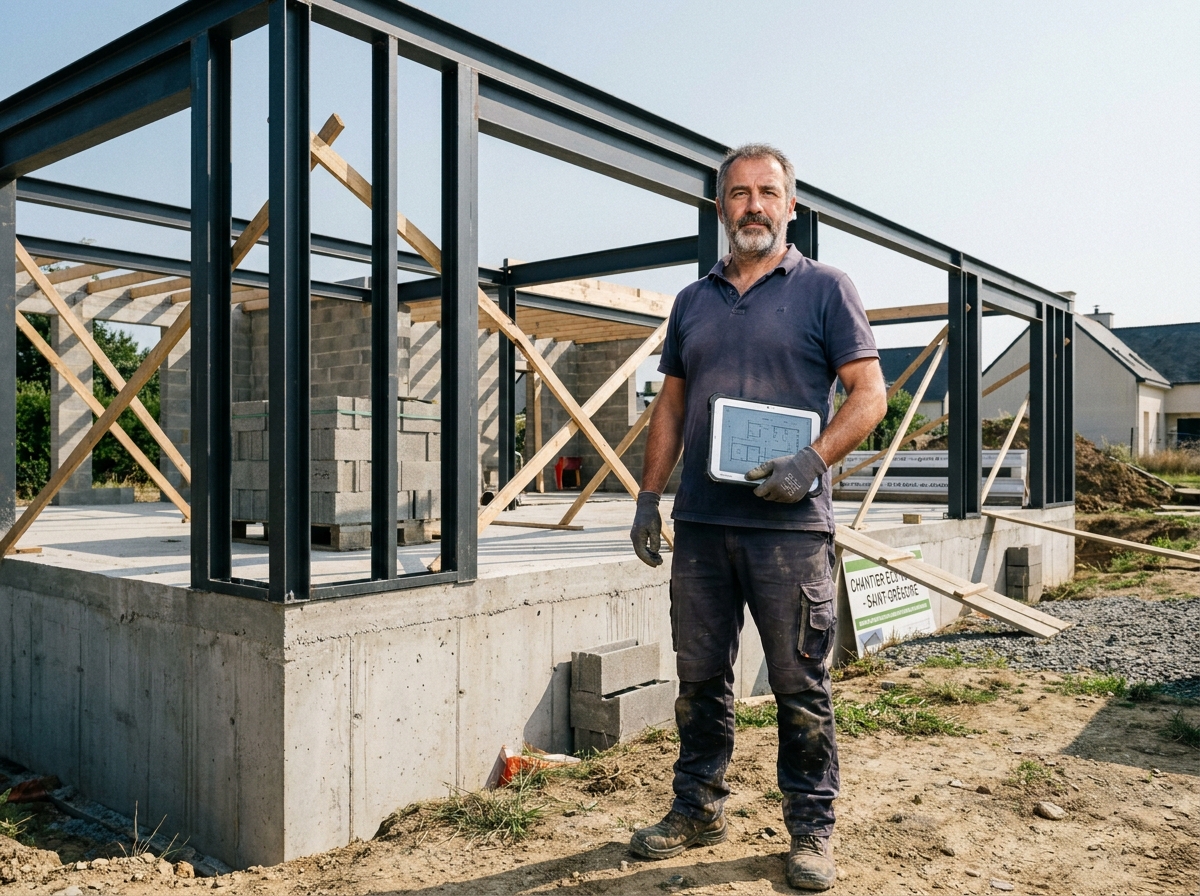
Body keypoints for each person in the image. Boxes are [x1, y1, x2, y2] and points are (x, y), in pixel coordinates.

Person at [627, 143, 887, 891]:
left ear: (790, 205)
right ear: (720, 208)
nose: (753, 206)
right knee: (699, 677)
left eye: (767, 192)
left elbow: (870, 395)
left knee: (800, 682)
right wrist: (649, 496)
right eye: (738, 194)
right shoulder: (692, 301)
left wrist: (812, 460)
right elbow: (671, 405)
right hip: (704, 527)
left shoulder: (826, 289)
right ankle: (697, 806)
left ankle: (811, 829)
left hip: (791, 531)